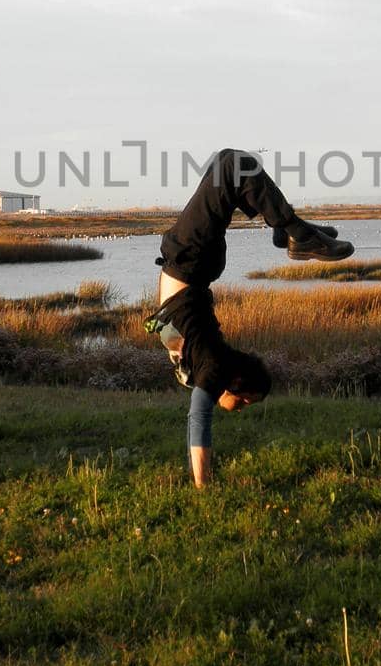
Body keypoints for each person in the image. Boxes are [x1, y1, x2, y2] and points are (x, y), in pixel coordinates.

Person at [146, 148, 353, 487]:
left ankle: (289, 228)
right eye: (244, 402)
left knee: (230, 164)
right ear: (236, 383)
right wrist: (203, 485)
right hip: (191, 263)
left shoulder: (210, 368)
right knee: (231, 165)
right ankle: (293, 231)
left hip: (189, 262)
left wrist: (202, 485)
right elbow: (199, 420)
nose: (240, 408)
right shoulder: (214, 366)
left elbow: (198, 417)